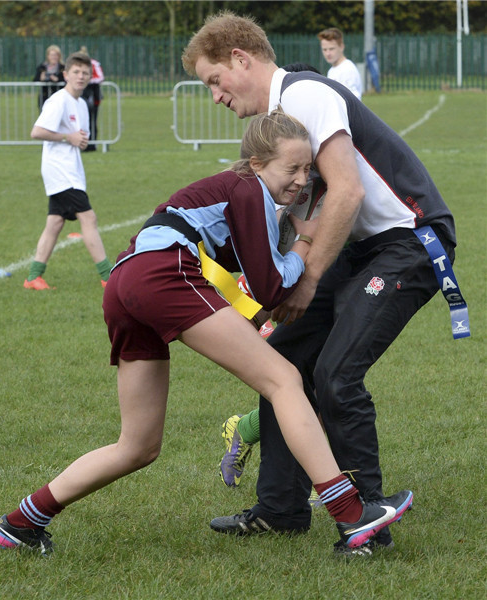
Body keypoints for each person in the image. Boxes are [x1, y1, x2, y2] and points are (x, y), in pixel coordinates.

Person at [0, 109, 413, 556]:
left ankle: (20, 523)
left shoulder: (246, 196)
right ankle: (351, 516)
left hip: (125, 281)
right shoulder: (248, 190)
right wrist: (307, 241)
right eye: (291, 168)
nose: (301, 179)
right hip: (162, 274)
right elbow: (273, 285)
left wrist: (286, 247)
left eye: (308, 168)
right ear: (256, 163)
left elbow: (256, 279)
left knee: (137, 446)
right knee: (285, 379)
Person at [182, 11, 457, 556]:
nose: (214, 95)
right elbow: (312, 217)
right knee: (281, 366)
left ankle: (367, 522)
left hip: (409, 241)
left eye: (214, 80)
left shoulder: (306, 94)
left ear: (241, 58)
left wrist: (305, 284)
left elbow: (348, 193)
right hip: (360, 250)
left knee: (336, 373)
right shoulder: (281, 119)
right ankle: (280, 510)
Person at [24, 52, 112, 291]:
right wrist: (68, 137)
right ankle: (108, 277)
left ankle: (33, 277)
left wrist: (80, 141)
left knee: (54, 223)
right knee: (89, 218)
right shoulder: (58, 100)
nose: (81, 77)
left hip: (72, 171)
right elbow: (37, 131)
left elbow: (78, 137)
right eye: (76, 72)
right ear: (66, 75)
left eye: (85, 73)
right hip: (59, 171)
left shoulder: (81, 104)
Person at [318, 27, 362, 100]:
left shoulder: (347, 69)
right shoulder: (332, 70)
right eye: (324, 50)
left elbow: (354, 101)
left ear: (341, 47)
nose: (328, 53)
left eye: (331, 49)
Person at [79, 46, 104, 152]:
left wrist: (88, 80)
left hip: (92, 95)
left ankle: (91, 144)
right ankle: (81, 144)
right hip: (80, 95)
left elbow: (100, 77)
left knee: (92, 121)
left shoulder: (94, 63)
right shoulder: (76, 66)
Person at [33, 45, 65, 110]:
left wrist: (58, 79)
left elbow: (67, 80)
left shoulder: (63, 68)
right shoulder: (42, 67)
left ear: (59, 56)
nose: (54, 57)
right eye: (52, 55)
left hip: (59, 95)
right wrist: (41, 79)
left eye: (56, 55)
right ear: (48, 56)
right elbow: (35, 80)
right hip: (44, 96)